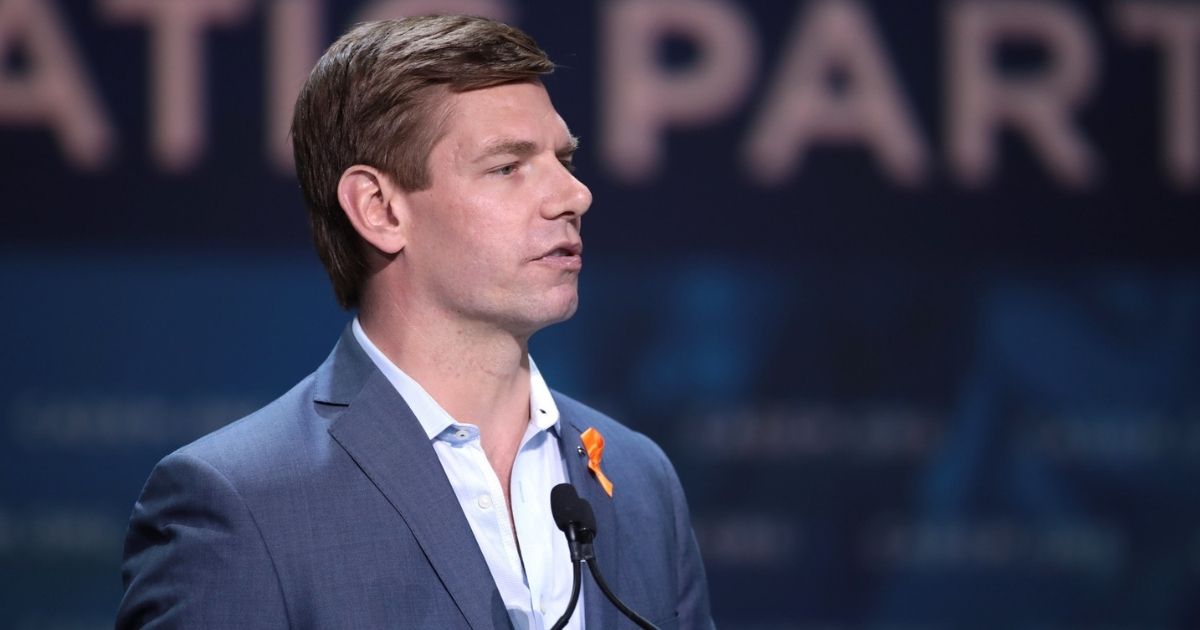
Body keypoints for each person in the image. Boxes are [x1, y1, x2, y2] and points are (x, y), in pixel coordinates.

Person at [116, 15, 713, 630]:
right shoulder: (240, 503)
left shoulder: (641, 479)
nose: (574, 195)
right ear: (379, 210)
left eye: (563, 158)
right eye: (508, 166)